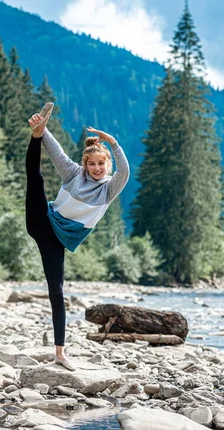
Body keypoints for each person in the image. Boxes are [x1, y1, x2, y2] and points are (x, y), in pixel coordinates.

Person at [25, 102, 129, 371]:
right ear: (85, 164)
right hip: (41, 221)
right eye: (92, 164)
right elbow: (56, 152)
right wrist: (43, 131)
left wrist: (113, 142)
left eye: (101, 164)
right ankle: (35, 133)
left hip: (56, 240)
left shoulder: (108, 191)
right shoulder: (73, 174)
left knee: (56, 292)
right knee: (35, 179)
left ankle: (60, 353)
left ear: (107, 165)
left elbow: (125, 172)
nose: (96, 168)